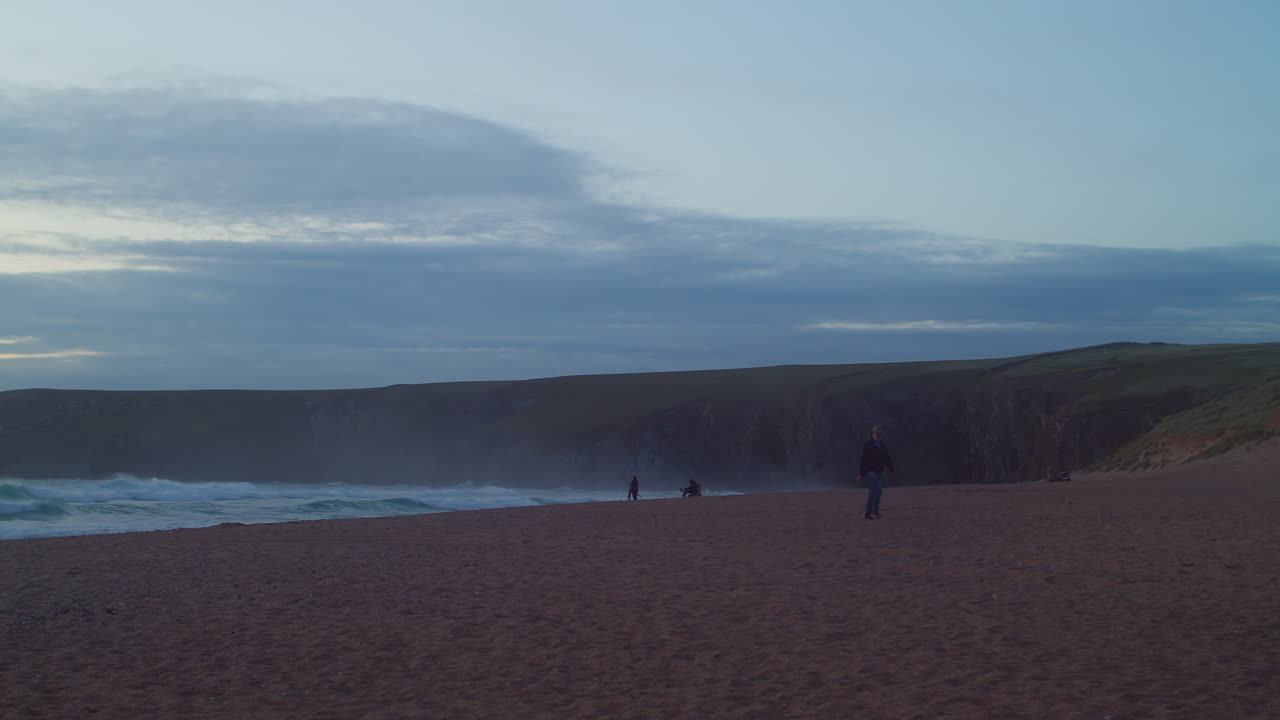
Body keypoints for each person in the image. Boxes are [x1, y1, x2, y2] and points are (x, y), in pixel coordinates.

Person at [858, 425, 895, 519]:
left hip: (879, 471)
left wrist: (891, 469)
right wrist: (862, 474)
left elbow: (887, 458)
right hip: (871, 471)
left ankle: (868, 513)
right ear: (872, 433)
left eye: (879, 433)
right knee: (878, 490)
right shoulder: (868, 444)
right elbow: (864, 460)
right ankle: (874, 512)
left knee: (872, 492)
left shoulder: (882, 444)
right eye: (876, 433)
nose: (877, 434)